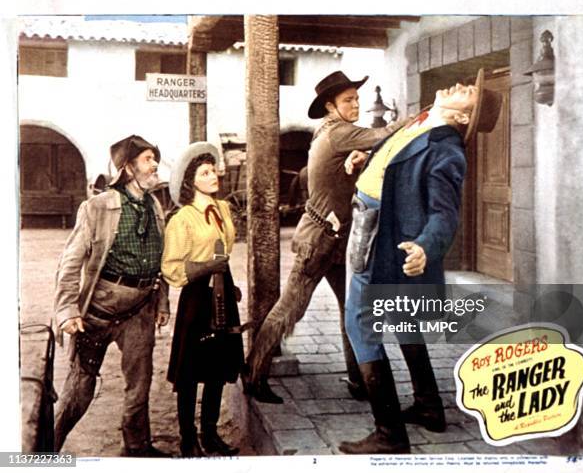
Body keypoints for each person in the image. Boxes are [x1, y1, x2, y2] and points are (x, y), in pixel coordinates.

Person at [339, 69, 503, 454]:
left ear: (463, 119)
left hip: (386, 235)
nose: (464, 85)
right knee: (399, 316)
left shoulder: (448, 149)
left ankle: (389, 433)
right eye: (469, 82)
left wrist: (427, 247)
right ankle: (429, 407)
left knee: (358, 323)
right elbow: (397, 154)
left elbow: (445, 214)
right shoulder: (424, 119)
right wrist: (368, 158)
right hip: (371, 219)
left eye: (470, 93)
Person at [243, 71, 407, 403]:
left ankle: (360, 381)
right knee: (289, 310)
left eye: (357, 99)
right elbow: (385, 134)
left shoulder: (331, 133)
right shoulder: (339, 133)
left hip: (336, 239)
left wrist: (356, 160)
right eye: (348, 100)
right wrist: (419, 119)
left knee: (353, 308)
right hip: (319, 240)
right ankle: (253, 375)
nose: (356, 104)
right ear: (330, 106)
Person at [53, 135, 171, 457]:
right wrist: (67, 310)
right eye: (147, 159)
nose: (154, 164)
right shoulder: (97, 207)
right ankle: (44, 450)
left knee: (140, 385)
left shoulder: (155, 205)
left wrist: (161, 301)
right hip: (97, 312)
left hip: (139, 311)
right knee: (80, 387)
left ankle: (136, 447)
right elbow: (70, 261)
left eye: (154, 158)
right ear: (128, 168)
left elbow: (160, 258)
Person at [161, 142, 243, 457]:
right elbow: (171, 268)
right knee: (191, 371)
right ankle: (188, 438)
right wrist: (208, 267)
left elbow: (225, 249)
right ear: (191, 180)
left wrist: (227, 282)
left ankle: (210, 434)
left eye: (213, 170)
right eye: (205, 173)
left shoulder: (223, 209)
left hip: (223, 289)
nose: (214, 176)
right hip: (196, 298)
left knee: (218, 368)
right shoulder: (182, 219)